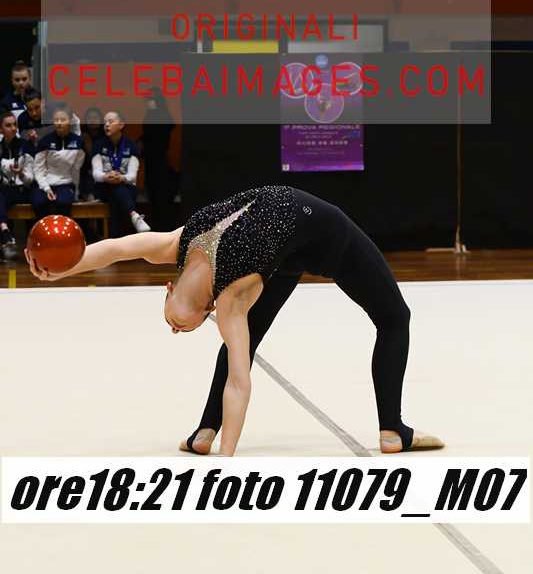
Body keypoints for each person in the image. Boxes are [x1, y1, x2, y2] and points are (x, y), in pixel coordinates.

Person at [26, 185, 444, 457]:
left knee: (394, 318)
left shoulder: (230, 301)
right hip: (278, 240)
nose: (175, 328)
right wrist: (59, 271)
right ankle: (204, 433)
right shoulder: (177, 243)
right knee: (249, 338)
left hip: (323, 232)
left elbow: (240, 383)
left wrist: (227, 462)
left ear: (206, 308)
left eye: (178, 325)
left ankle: (392, 431)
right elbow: (115, 249)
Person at [91, 111, 151, 234]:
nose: (107, 125)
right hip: (103, 186)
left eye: (111, 122)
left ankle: (113, 238)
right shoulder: (98, 145)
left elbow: (132, 176)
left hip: (125, 186)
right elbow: (96, 174)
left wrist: (121, 178)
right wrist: (106, 177)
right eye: (105, 122)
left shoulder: (131, 146)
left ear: (121, 124)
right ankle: (134, 215)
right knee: (115, 190)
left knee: (117, 194)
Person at [31, 105, 85, 220]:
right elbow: (38, 169)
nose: (59, 123)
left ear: (70, 121)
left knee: (63, 202)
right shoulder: (45, 141)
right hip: (45, 183)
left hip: (66, 183)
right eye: (56, 120)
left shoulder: (78, 142)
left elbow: (76, 169)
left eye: (63, 120)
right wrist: (46, 188)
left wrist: (76, 192)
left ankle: (61, 230)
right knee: (39, 202)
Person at [0, 112, 34, 260]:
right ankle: (4, 230)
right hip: (5, 190)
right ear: (1, 130)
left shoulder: (25, 145)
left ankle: (5, 233)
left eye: (15, 125)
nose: (13, 128)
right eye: (8, 125)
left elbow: (30, 179)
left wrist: (20, 173)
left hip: (23, 190)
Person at [141, 89, 174, 231]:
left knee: (160, 194)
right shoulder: (153, 114)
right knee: (154, 194)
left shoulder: (161, 115)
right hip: (153, 160)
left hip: (159, 159)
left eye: (150, 99)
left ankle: (162, 227)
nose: (148, 102)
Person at [79, 107, 105, 200]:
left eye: (95, 118)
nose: (92, 120)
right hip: (85, 169)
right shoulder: (81, 135)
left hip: (102, 168)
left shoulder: (106, 135)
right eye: (90, 118)